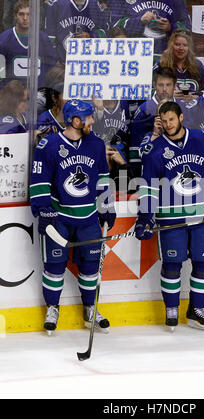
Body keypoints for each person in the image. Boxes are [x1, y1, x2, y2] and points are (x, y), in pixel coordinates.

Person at [134, 101, 204, 331]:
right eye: (164, 121)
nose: (168, 124)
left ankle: (196, 310)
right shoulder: (155, 151)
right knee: (172, 265)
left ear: (181, 118)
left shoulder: (201, 141)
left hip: (202, 216)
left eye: (172, 119)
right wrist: (145, 215)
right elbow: (150, 187)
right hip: (171, 220)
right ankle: (171, 309)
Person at [29, 99, 116, 334]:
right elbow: (39, 181)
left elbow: (102, 178)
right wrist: (43, 210)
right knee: (54, 265)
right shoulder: (48, 145)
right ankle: (53, 308)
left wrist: (107, 206)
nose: (91, 120)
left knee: (90, 267)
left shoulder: (96, 144)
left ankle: (90, 309)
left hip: (88, 218)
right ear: (75, 121)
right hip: (59, 218)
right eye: (88, 117)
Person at [129, 67, 185, 176]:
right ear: (154, 85)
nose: (164, 89)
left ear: (175, 85)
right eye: (160, 85)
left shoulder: (183, 107)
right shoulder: (144, 110)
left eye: (168, 85)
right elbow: (135, 145)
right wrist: (135, 175)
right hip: (152, 166)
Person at [0, 0, 57, 89]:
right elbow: (1, 73)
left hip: (38, 92)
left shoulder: (43, 38)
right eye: (21, 14)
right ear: (15, 16)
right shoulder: (4, 39)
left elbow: (51, 67)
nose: (25, 18)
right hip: (13, 94)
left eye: (29, 14)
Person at [109, 0, 191, 57]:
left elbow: (187, 27)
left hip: (167, 58)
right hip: (135, 58)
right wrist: (139, 21)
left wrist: (171, 27)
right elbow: (115, 27)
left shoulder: (176, 2)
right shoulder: (122, 2)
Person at [45, 0, 111, 64]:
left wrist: (91, 36)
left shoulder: (95, 5)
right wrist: (54, 60)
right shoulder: (57, 4)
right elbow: (50, 37)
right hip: (62, 63)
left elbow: (105, 31)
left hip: (87, 62)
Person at [153, 29, 204, 102]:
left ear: (189, 48)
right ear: (171, 46)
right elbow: (150, 90)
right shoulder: (161, 64)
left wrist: (196, 97)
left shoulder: (197, 65)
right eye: (177, 44)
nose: (181, 48)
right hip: (168, 108)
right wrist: (167, 94)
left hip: (193, 109)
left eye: (185, 45)